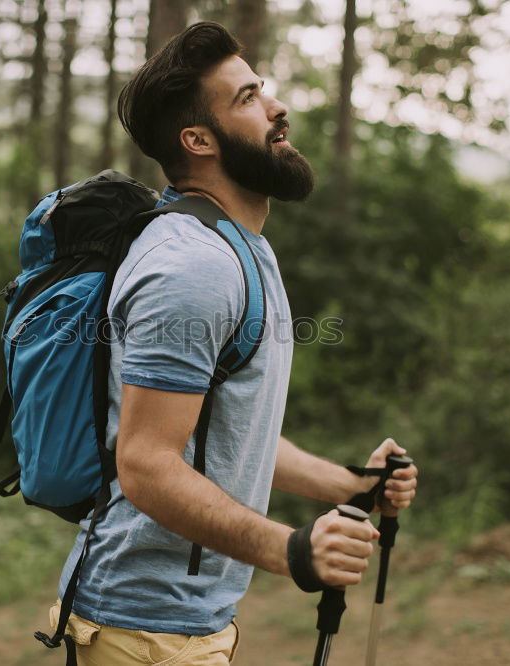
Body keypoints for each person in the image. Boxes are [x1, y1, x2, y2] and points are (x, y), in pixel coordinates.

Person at [49, 21, 419, 665]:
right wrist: (292, 549)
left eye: (262, 90)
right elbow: (147, 463)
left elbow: (226, 435)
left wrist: (352, 485)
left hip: (181, 625)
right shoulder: (192, 266)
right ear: (197, 139)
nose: (278, 109)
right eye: (247, 99)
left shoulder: (240, 248)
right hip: (145, 631)